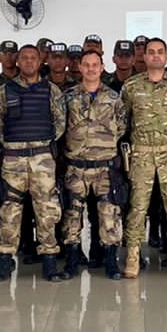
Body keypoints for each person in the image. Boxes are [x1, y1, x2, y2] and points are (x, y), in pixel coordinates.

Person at [0, 44, 68, 282]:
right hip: (13, 157)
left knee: (47, 209)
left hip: (42, 157)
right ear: (18, 61)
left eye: (33, 57)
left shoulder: (52, 90)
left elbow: (60, 123)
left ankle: (49, 259)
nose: (29, 61)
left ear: (40, 60)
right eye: (24, 57)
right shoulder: (5, 91)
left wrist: (41, 143)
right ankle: (4, 259)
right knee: (9, 210)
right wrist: (15, 144)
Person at [121, 37, 167, 279]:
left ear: (166, 56)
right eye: (151, 52)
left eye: (160, 52)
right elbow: (123, 121)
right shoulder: (131, 87)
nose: (155, 56)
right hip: (141, 154)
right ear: (144, 56)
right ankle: (133, 256)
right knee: (137, 208)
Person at [62, 50, 128, 279]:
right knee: (72, 215)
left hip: (105, 167)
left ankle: (110, 261)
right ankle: (72, 260)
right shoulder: (68, 97)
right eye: (86, 65)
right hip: (76, 166)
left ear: (102, 67)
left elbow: (122, 127)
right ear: (80, 67)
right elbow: (60, 127)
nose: (91, 69)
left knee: (109, 214)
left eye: (95, 65)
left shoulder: (114, 98)